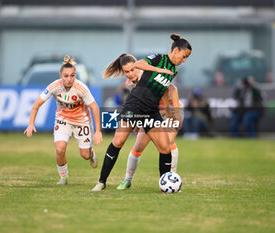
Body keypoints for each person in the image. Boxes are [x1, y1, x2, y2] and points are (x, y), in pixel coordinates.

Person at [92, 33, 191, 191]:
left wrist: (167, 110)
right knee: (118, 141)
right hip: (135, 105)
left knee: (166, 148)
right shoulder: (160, 59)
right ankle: (101, 182)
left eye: (186, 58)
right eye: (184, 56)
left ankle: (164, 185)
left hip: (152, 111)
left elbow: (165, 89)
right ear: (176, 50)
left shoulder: (174, 70)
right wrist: (158, 69)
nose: (184, 60)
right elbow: (138, 64)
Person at [24, 55, 102, 185]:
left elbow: (94, 107)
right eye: (66, 76)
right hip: (63, 120)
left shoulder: (81, 88)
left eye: (72, 76)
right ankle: (64, 177)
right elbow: (36, 105)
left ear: (75, 75)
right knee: (60, 149)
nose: (69, 79)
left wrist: (98, 131)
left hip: (82, 121)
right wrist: (31, 123)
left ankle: (91, 154)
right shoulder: (54, 86)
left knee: (85, 155)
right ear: (61, 75)